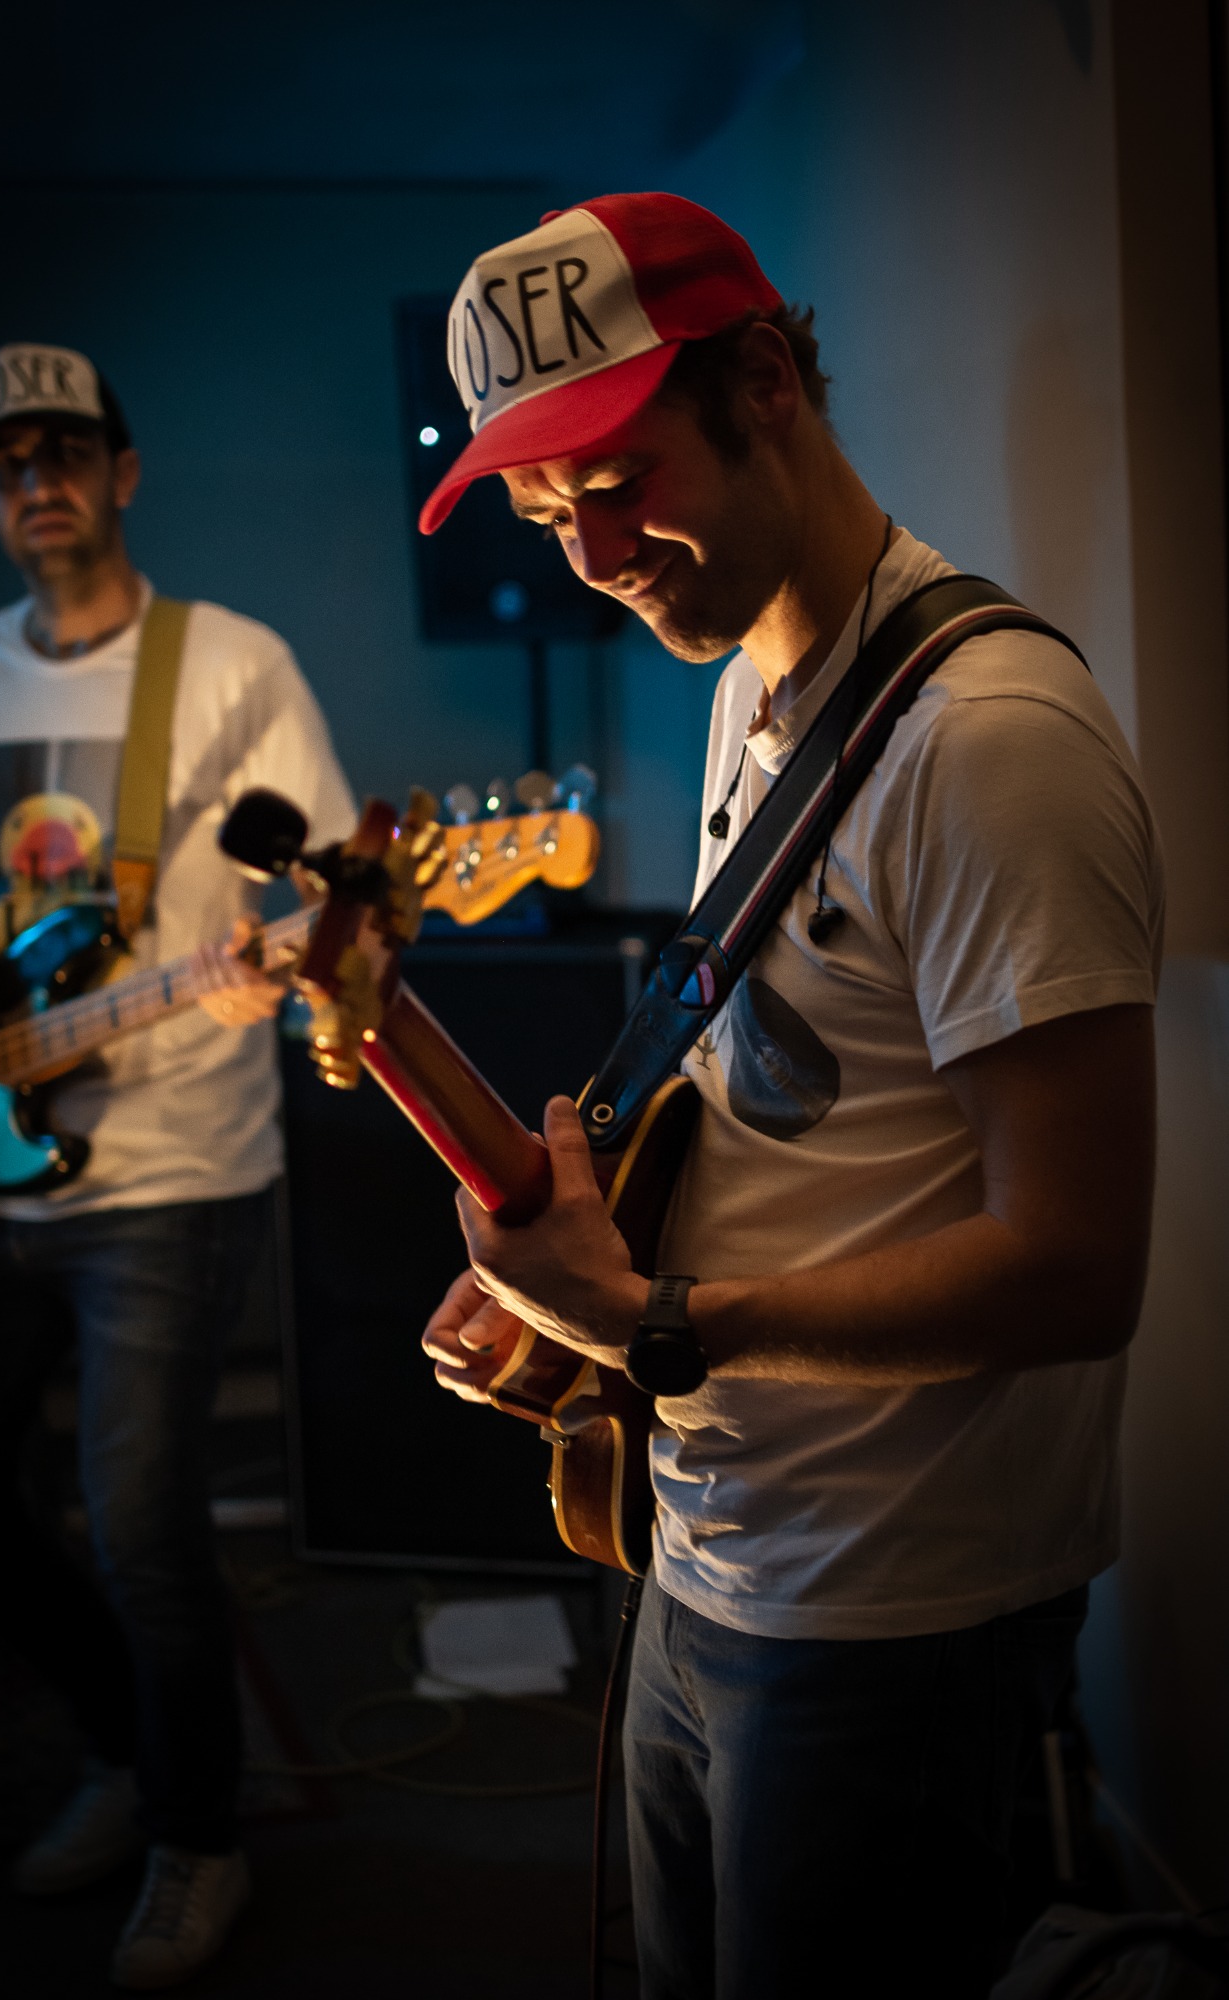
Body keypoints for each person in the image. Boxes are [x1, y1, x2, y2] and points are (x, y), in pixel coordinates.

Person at [418, 196, 1163, 1997]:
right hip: (711, 1545)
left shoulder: (988, 744)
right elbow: (780, 1100)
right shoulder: (754, 677)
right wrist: (584, 1286)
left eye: (617, 481)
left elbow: (1076, 1269)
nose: (593, 555)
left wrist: (662, 1319)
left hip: (889, 1608)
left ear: (763, 381)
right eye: (543, 514)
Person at [0, 343, 355, 1989]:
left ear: (123, 473)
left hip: (171, 1166)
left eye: (69, 452)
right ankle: (123, 1749)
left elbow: (322, 895)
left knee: (143, 1517)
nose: (42, 482)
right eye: (9, 463)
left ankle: (197, 1838)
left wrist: (288, 958)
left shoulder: (231, 663)